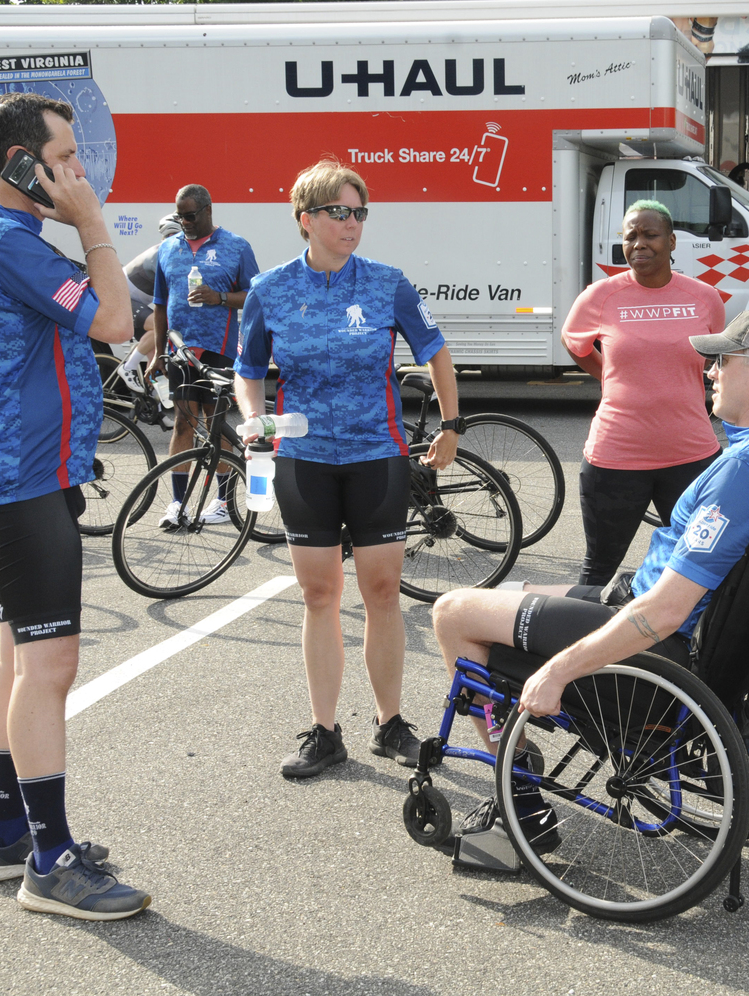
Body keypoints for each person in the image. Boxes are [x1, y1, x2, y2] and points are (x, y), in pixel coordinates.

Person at [433, 309, 749, 842]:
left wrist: (558, 672)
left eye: (723, 360)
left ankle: (518, 797)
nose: (710, 370)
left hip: (661, 647)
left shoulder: (744, 474)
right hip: (685, 628)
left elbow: (665, 612)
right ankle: (516, 773)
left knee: (453, 614)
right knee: (507, 592)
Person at [0, 92, 149, 918]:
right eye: (64, 159)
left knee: (15, 659)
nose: (78, 172)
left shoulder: (4, 239)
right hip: (21, 483)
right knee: (48, 668)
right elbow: (113, 320)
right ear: (22, 164)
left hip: (18, 477)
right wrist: (93, 222)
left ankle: (4, 833)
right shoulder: (7, 243)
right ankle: (50, 860)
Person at [234, 158, 461, 779]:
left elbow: (437, 354)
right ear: (306, 219)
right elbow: (248, 371)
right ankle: (326, 731)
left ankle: (390, 724)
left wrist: (450, 426)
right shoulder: (269, 290)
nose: (353, 223)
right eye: (341, 212)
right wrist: (253, 420)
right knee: (319, 595)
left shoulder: (387, 283)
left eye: (360, 212)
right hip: (303, 458)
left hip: (376, 457)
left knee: (382, 592)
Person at [561, 200, 724, 586]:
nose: (639, 244)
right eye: (630, 236)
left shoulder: (704, 297)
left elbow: (710, 354)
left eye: (650, 235)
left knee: (698, 569)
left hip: (691, 455)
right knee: (598, 571)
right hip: (616, 457)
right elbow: (575, 344)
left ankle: (683, 644)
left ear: (671, 242)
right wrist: (608, 376)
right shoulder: (600, 296)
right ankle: (588, 645)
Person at [148, 184, 260, 525]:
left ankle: (223, 503)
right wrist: (157, 352)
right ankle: (178, 503)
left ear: (208, 210)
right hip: (180, 350)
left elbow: (256, 296)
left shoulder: (236, 247)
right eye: (180, 216)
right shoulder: (167, 249)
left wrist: (221, 298)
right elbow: (161, 305)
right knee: (183, 422)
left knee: (218, 426)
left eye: (191, 215)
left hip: (219, 349)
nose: (185, 222)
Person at [114, 211, 183, 394]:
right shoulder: (159, 254)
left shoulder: (169, 253)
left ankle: (158, 410)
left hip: (135, 301)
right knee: (159, 326)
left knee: (155, 364)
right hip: (120, 298)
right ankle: (128, 367)